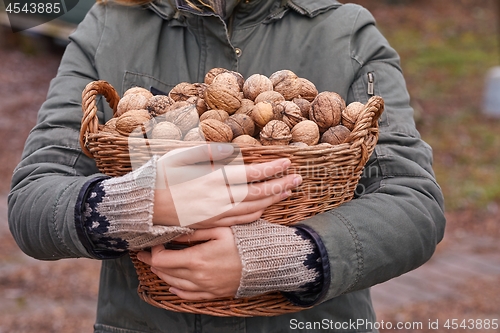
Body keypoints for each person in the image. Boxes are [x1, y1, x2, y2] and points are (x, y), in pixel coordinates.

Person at [8, 0, 446, 332]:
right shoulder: (111, 25)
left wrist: (286, 258)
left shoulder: (343, 31)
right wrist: (140, 202)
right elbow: (32, 201)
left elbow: (413, 203)